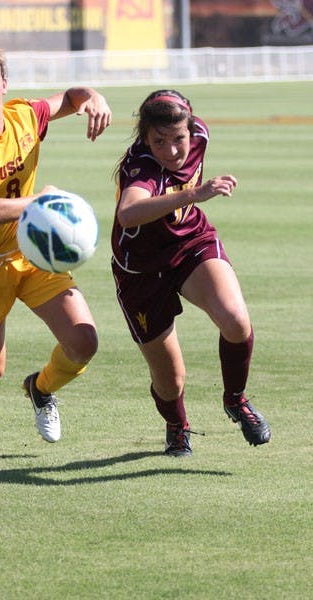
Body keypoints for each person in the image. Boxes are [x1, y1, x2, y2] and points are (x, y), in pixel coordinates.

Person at [0, 43, 111, 453]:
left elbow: (72, 98)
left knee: (84, 342)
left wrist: (93, 98)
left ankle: (40, 388)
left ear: (5, 84)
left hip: (31, 256)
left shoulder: (25, 115)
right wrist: (41, 202)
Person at [111, 89, 271, 457]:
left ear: (191, 127)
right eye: (159, 141)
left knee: (235, 320)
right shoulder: (142, 166)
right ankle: (178, 427)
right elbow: (128, 213)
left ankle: (236, 400)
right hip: (141, 268)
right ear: (144, 138)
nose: (171, 151)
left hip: (190, 242)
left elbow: (188, 155)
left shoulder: (200, 133)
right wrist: (192, 195)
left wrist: (192, 200)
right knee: (170, 379)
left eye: (178, 139)